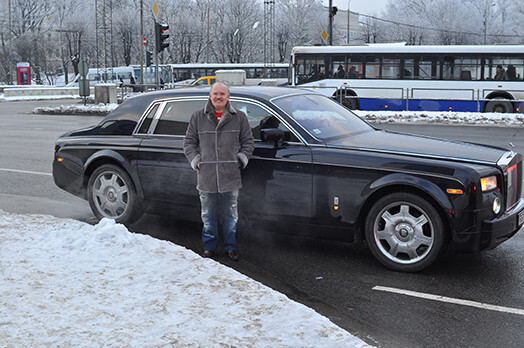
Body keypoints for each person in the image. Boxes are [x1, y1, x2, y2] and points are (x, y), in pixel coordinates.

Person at [183, 82, 254, 261]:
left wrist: (240, 160)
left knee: (231, 214)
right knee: (208, 214)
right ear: (210, 96)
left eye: (222, 94)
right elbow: (189, 143)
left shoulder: (239, 117)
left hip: (230, 176)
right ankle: (209, 247)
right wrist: (197, 161)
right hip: (206, 176)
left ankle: (230, 247)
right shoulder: (198, 117)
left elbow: (248, 143)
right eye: (215, 94)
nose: (218, 97)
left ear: (228, 96)